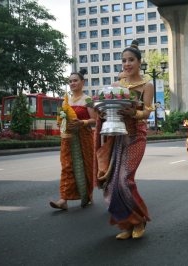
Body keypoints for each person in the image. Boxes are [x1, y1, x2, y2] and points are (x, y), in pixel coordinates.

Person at [93, 40, 154, 240]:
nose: (127, 64)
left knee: (124, 180)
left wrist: (133, 113)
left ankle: (139, 220)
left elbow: (146, 113)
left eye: (131, 60)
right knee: (112, 184)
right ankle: (126, 224)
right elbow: (107, 109)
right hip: (117, 137)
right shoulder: (116, 86)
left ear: (139, 62)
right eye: (124, 61)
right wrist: (101, 111)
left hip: (136, 136)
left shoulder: (147, 85)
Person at [50, 69, 97, 210]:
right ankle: (63, 199)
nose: (72, 83)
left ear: (82, 82)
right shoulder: (65, 101)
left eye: (75, 80)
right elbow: (59, 119)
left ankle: (87, 194)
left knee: (85, 167)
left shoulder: (88, 100)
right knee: (67, 167)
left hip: (84, 138)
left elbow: (94, 120)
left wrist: (82, 123)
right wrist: (60, 123)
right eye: (70, 81)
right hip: (68, 138)